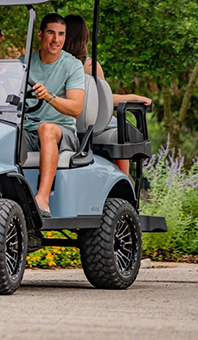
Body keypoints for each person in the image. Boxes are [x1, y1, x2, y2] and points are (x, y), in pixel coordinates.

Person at [63, 14, 152, 174]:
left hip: (67, 121)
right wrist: (134, 97)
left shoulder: (56, 63)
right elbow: (104, 100)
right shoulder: (88, 65)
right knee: (123, 131)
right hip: (90, 125)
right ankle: (123, 180)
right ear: (84, 38)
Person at [20, 14, 86, 217]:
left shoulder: (73, 65)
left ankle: (43, 198)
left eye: (61, 35)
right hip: (27, 131)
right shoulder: (24, 62)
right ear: (40, 35)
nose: (55, 39)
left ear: (65, 38)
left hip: (62, 133)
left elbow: (76, 108)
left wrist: (49, 97)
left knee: (46, 128)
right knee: (2, 135)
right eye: (50, 33)